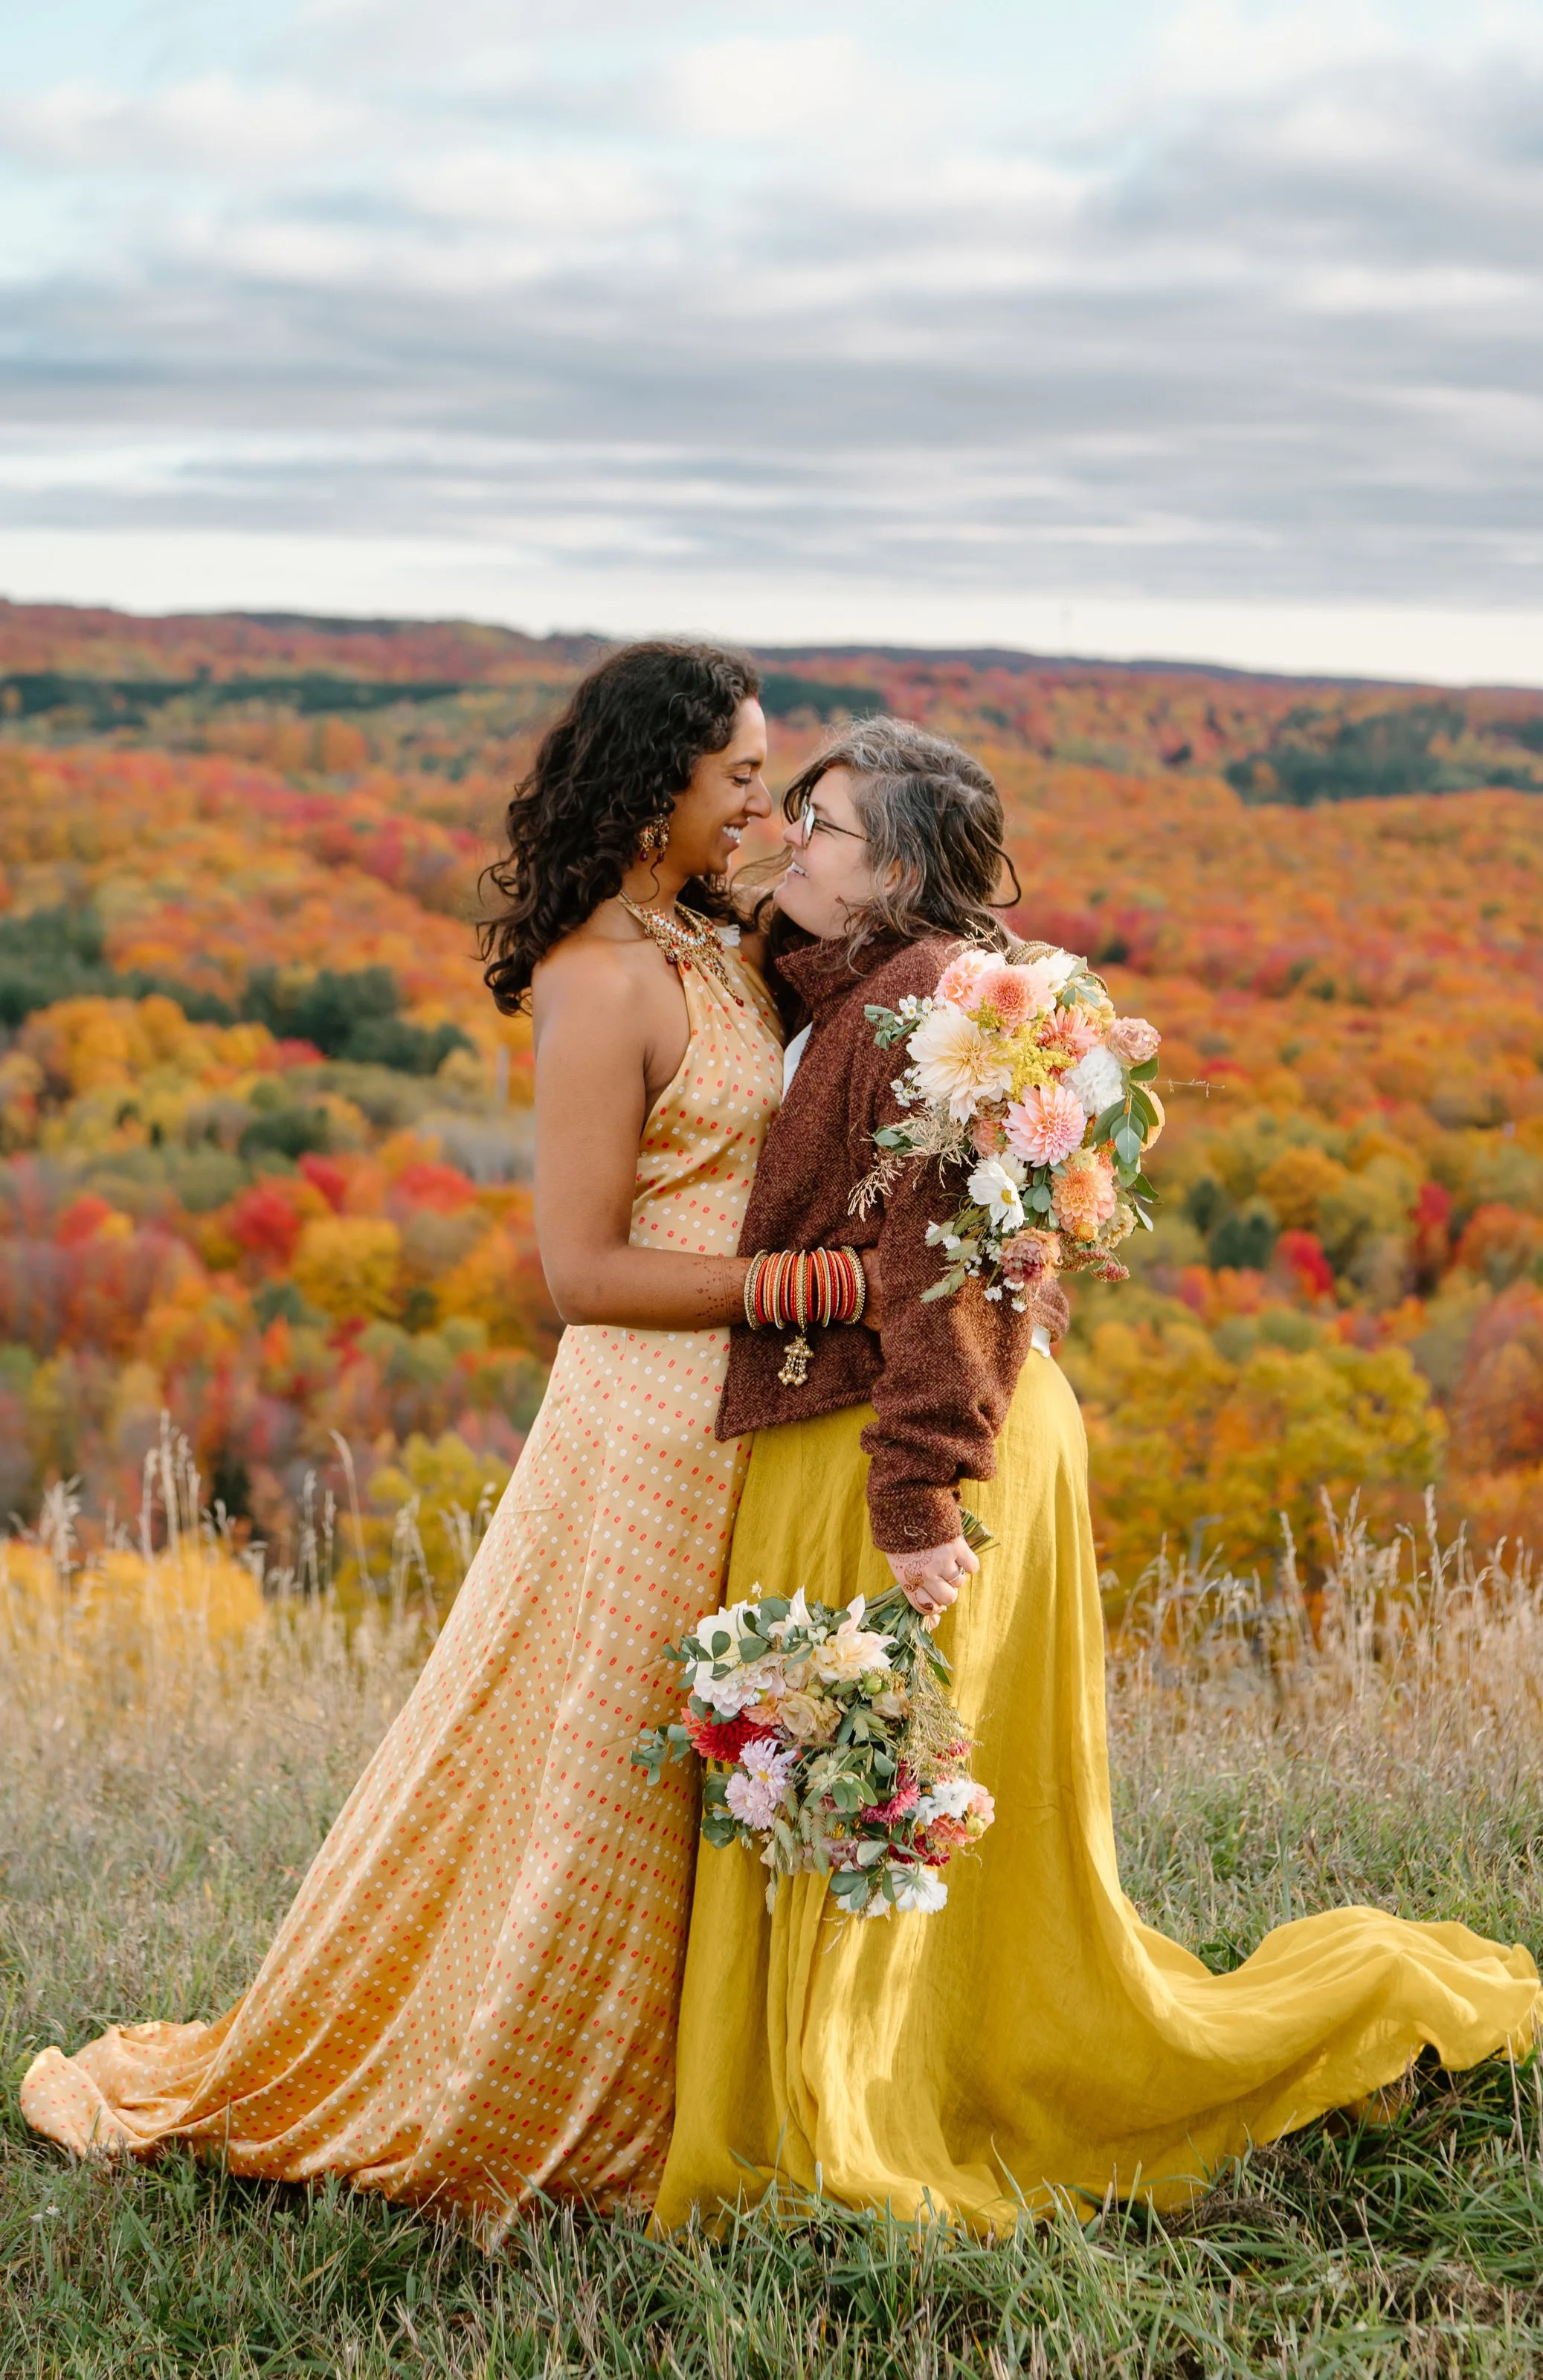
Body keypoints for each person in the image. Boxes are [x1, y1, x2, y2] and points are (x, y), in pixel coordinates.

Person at [19, 642, 877, 2239]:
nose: (762, 802)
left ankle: (721, 2083)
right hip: (640, 1429)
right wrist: (793, 1285)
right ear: (655, 790)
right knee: (602, 1775)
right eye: (740, 778)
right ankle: (540, 2086)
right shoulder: (594, 976)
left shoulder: (708, 935)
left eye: (768, 782)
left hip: (747, 1424)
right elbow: (579, 1272)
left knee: (719, 1765)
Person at [652, 715, 1543, 2234]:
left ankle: (856, 2116)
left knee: (877, 1772)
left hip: (920, 1435)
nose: (794, 836)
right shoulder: (836, 976)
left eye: (830, 825)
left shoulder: (937, 1000)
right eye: (796, 806)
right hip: (853, 1430)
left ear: (909, 874)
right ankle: (823, 2081)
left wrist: (919, 1491)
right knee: (827, 1764)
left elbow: (959, 1263)